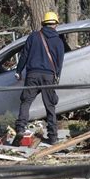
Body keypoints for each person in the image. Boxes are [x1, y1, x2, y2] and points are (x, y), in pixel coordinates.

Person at [14, 12, 65, 145]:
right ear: (55, 24)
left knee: (26, 102)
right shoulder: (59, 41)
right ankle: (53, 137)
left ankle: (20, 129)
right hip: (48, 76)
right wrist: (57, 75)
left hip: (32, 75)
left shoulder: (34, 37)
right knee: (50, 106)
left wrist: (18, 70)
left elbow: (24, 55)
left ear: (44, 23)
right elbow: (60, 62)